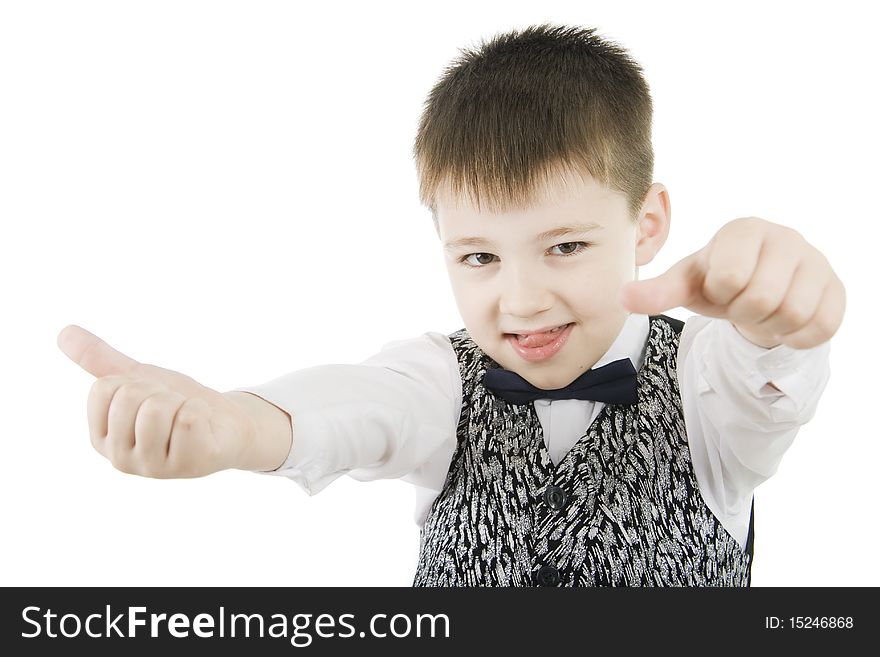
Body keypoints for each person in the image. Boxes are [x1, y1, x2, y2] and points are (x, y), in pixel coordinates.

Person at [56, 24, 844, 586]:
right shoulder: (441, 378)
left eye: (564, 245)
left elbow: (764, 378)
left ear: (648, 223)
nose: (522, 300)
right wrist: (236, 426)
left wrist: (781, 319)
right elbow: (354, 406)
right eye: (480, 257)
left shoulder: (706, 388)